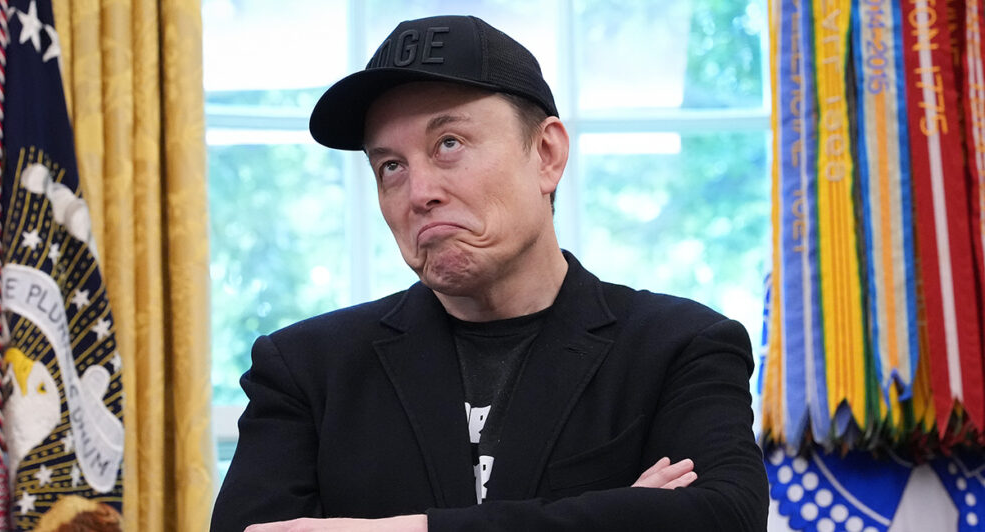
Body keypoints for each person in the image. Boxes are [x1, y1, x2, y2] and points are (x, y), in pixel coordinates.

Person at [211, 15, 769, 532]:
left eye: (448, 144)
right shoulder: (305, 370)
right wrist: (621, 510)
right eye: (390, 166)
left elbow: (723, 515)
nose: (420, 192)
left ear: (546, 154)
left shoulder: (679, 346)